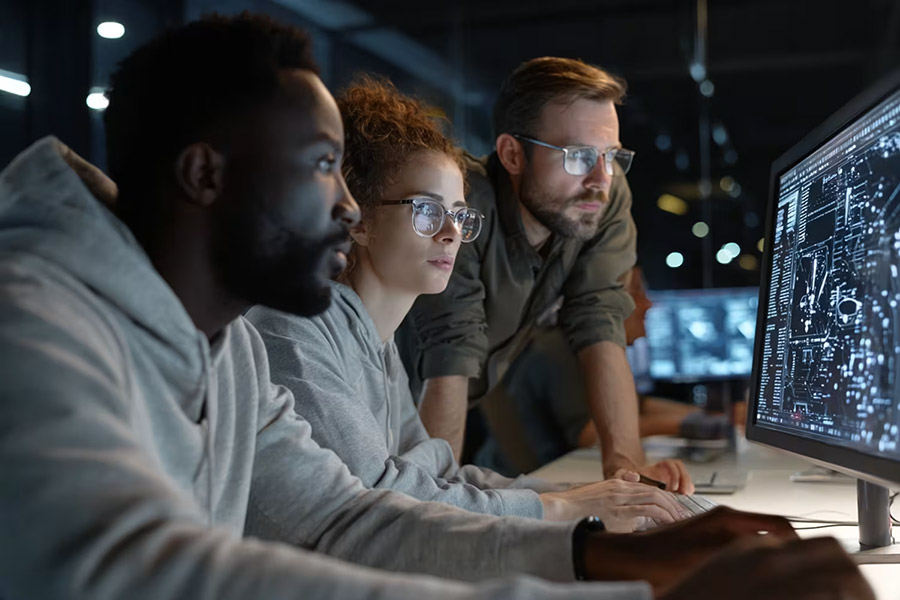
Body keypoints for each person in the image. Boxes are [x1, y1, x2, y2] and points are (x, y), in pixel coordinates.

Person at [0, 13, 873, 600]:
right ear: (205, 175)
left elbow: (340, 519)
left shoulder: (224, 345)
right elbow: (122, 573)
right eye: (322, 167)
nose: (348, 207)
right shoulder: (35, 322)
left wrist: (607, 553)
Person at [247, 77, 687, 531]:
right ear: (357, 219)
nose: (452, 233)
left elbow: (435, 475)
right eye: (427, 210)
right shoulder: (293, 332)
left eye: (459, 214)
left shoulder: (377, 345)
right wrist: (563, 507)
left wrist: (586, 498)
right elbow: (383, 499)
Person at [397, 57, 694, 492]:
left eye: (612, 156)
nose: (601, 178)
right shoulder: (464, 204)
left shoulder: (601, 197)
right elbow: (449, 351)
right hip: (380, 405)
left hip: (441, 416)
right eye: (579, 156)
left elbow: (600, 320)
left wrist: (628, 474)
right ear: (512, 155)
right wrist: (434, 506)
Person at [473, 266, 739, 476]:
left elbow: (637, 405)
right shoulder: (557, 351)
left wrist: (712, 416)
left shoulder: (573, 346)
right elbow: (590, 432)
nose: (648, 304)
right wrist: (687, 425)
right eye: (637, 291)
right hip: (519, 487)